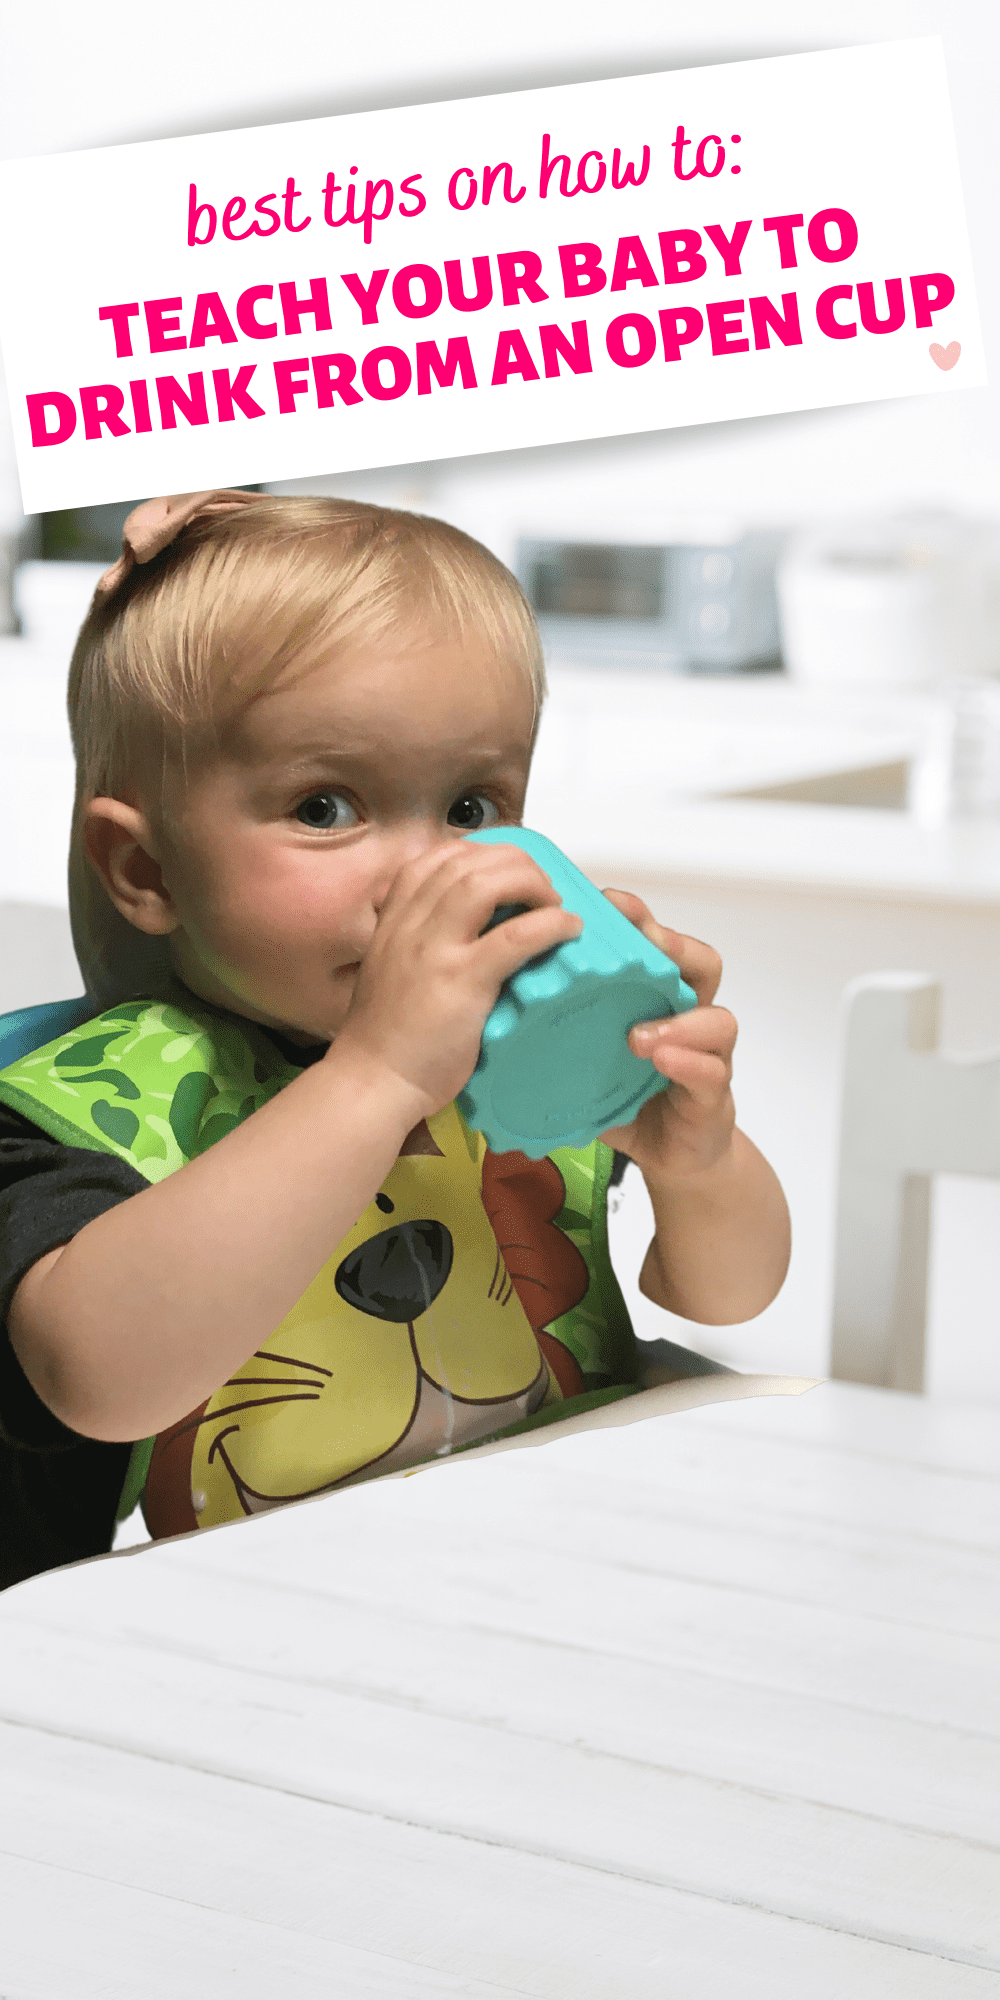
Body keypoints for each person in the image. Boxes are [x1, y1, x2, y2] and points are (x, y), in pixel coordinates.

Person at [0, 492, 790, 1590]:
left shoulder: (508, 1045)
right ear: (145, 869)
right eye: (325, 806)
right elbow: (99, 1377)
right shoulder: (68, 1112)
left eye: (471, 807)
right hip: (217, 1644)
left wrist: (696, 1162)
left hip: (552, 1570)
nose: (428, 873)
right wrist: (377, 1075)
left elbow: (726, 1296)